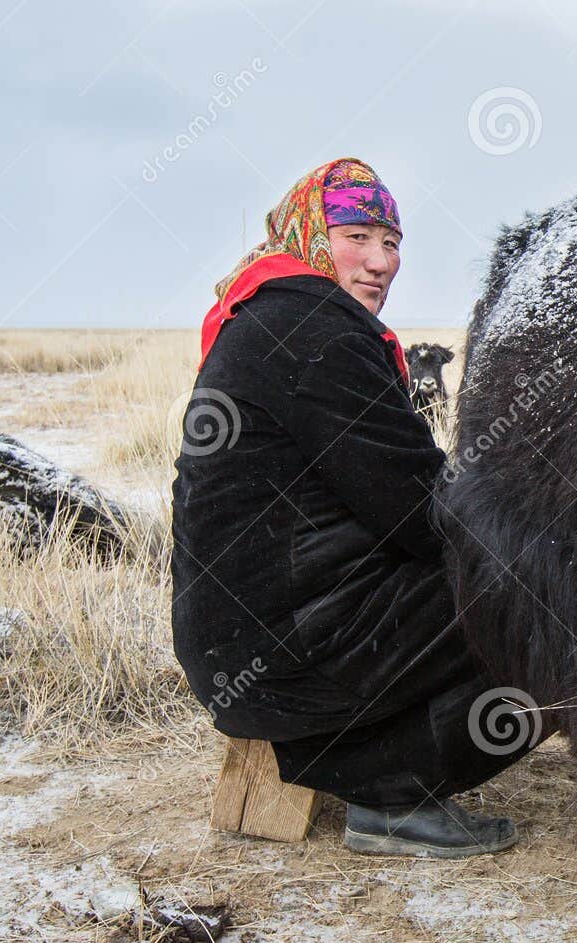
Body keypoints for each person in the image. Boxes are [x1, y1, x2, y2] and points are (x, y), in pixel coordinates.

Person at [171, 158, 531, 858]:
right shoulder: (317, 330)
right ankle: (387, 788)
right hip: (284, 650)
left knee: (504, 577)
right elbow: (420, 511)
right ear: (310, 231)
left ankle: (370, 761)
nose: (380, 261)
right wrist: (531, 533)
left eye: (391, 242)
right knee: (538, 602)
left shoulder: (270, 315)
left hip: (242, 637)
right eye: (357, 235)